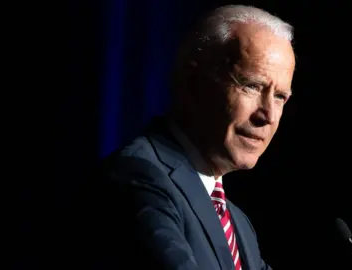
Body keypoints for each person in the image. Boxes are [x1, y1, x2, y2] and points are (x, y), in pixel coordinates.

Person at [86, 4, 295, 270]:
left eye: (280, 97)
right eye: (251, 86)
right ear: (193, 81)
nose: (268, 115)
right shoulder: (139, 178)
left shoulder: (238, 224)